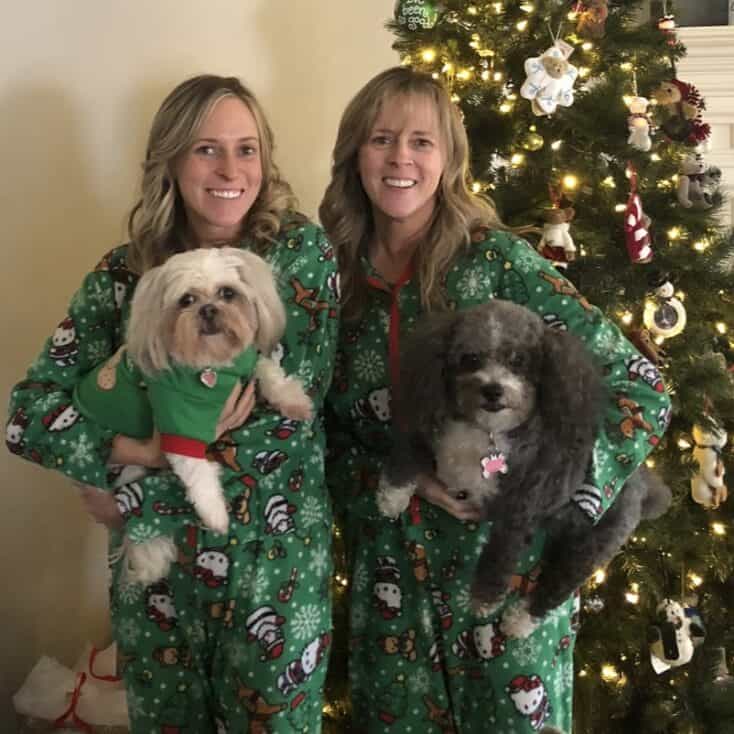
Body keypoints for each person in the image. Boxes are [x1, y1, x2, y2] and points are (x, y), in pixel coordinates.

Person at [320, 66, 670, 734]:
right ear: (354, 154)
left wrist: (553, 488)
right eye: (382, 139)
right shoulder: (333, 280)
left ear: (448, 157)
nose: (400, 158)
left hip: (511, 575)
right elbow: (321, 436)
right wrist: (397, 482)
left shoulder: (501, 264)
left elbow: (640, 388)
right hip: (393, 589)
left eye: (422, 141)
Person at [7, 75, 338, 733]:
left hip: (274, 571)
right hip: (157, 584)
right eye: (206, 150)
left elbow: (280, 428)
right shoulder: (121, 276)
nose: (230, 170)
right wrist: (136, 451)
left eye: (247, 149)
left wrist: (128, 497)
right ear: (170, 161)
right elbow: (27, 416)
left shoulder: (299, 255)